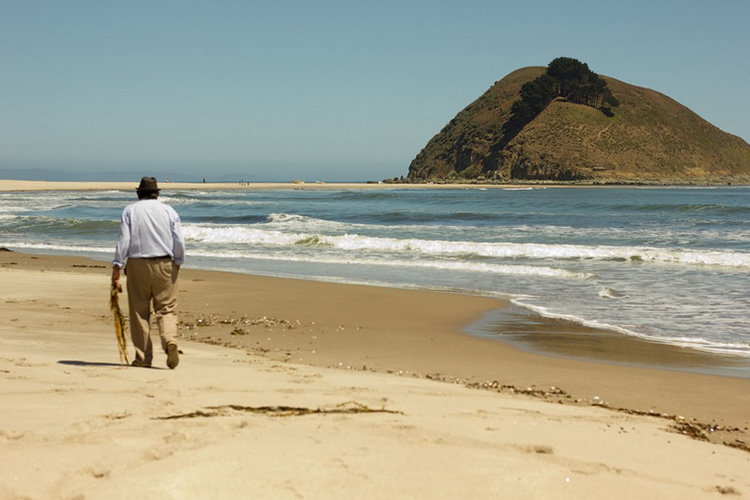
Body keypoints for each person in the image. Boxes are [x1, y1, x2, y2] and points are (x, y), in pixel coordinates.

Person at [111, 177, 186, 369]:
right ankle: (170, 340)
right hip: (165, 262)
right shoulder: (169, 210)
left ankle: (143, 357)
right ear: (157, 193)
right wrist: (178, 261)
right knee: (166, 309)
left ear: (139, 193)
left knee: (139, 312)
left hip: (138, 263)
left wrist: (117, 265)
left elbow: (124, 240)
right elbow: (179, 240)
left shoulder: (131, 210)